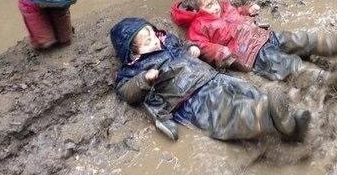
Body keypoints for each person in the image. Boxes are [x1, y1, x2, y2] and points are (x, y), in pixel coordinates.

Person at [110, 17, 312, 142]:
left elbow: (183, 45)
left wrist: (191, 48)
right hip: (189, 96)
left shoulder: (168, 41)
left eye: (153, 35)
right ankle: (267, 117)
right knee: (226, 113)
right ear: (132, 54)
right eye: (147, 42)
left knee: (247, 90)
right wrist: (144, 79)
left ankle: (288, 124)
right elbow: (126, 91)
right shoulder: (135, 68)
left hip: (212, 77)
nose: (155, 41)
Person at [170, 0, 337, 93]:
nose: (216, 6)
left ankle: (335, 44)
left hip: (265, 36)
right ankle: (328, 81)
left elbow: (237, 12)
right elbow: (200, 44)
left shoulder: (224, 7)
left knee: (298, 39)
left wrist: (247, 9)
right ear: (196, 11)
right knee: (287, 65)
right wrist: (218, 52)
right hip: (252, 54)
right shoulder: (198, 26)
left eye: (215, 1)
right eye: (209, 5)